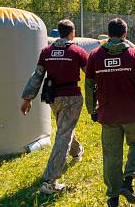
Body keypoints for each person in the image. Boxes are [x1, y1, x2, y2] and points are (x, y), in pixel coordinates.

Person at [85, 18, 135, 207]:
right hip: (132, 113)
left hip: (108, 115)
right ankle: (128, 181)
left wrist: (92, 109)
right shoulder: (134, 54)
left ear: (108, 33)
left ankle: (113, 198)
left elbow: (89, 84)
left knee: (111, 155)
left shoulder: (95, 56)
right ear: (125, 34)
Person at [20, 19, 88, 194]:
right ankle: (50, 182)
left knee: (64, 130)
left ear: (59, 32)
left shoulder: (46, 51)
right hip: (72, 98)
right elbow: (91, 74)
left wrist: (28, 98)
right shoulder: (77, 51)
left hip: (54, 98)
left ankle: (77, 151)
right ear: (71, 32)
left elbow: (37, 76)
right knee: (63, 134)